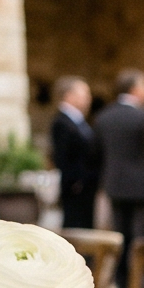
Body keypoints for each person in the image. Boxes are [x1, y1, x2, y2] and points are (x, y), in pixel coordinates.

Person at [94, 70, 144, 288]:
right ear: (134, 89)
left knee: (120, 234)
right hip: (141, 186)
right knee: (141, 237)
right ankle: (142, 283)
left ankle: (122, 281)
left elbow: (97, 154)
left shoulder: (103, 117)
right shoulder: (143, 116)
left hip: (114, 185)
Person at [48, 76, 101, 232]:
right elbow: (63, 156)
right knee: (75, 226)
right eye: (84, 93)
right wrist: (76, 181)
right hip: (75, 187)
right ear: (69, 95)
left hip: (85, 186)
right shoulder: (62, 122)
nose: (88, 98)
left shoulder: (78, 120)